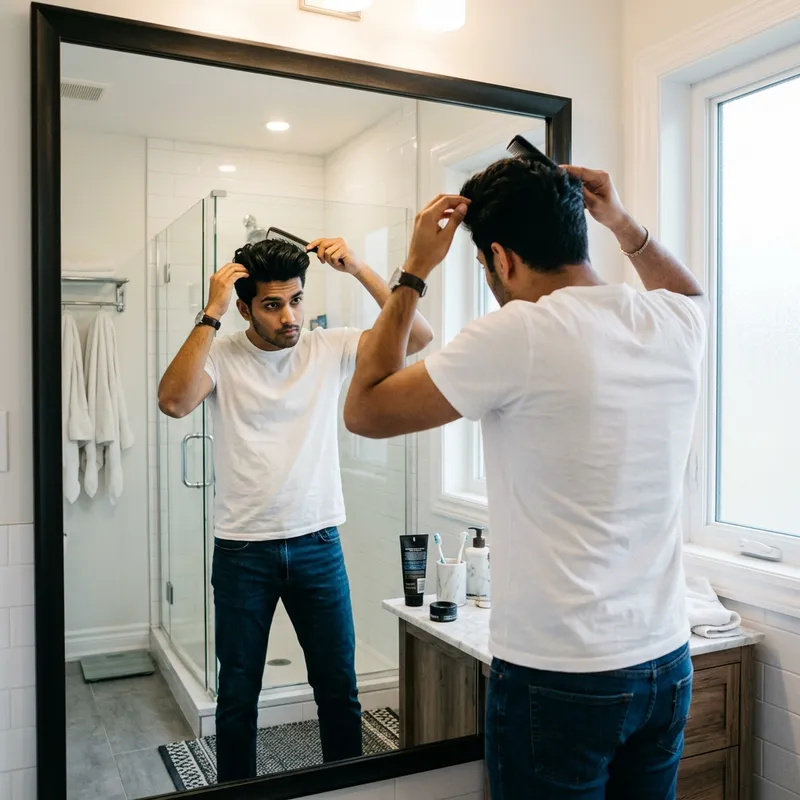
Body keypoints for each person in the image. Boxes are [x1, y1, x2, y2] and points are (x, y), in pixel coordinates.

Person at [343, 159, 707, 799]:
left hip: (563, 675)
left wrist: (414, 271)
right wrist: (621, 221)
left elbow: (364, 409)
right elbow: (689, 293)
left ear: (501, 260)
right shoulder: (672, 323)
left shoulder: (519, 332)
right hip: (665, 662)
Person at [158, 236, 434, 783]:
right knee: (237, 696)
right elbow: (174, 400)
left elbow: (418, 336)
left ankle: (348, 790)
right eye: (272, 304)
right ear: (243, 308)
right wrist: (209, 311)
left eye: (297, 300)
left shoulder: (327, 345)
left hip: (318, 545)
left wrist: (357, 267)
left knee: (338, 688)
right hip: (242, 551)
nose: (290, 316)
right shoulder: (222, 352)